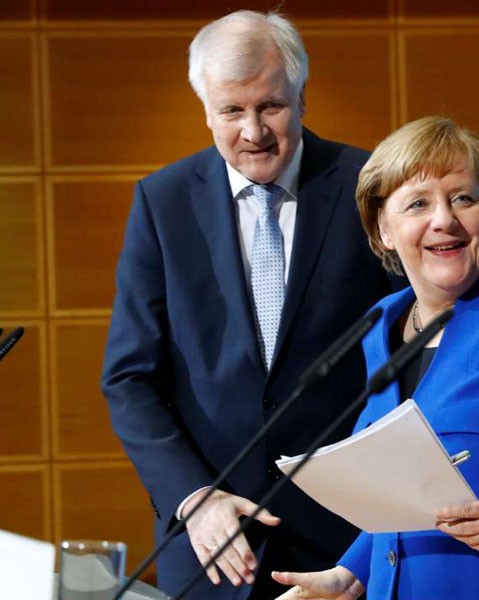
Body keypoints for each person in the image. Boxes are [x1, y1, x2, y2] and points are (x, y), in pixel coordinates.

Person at [100, 10, 395, 600]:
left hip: (345, 541)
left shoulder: (371, 184)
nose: (253, 131)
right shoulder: (163, 203)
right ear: (206, 110)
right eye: (232, 111)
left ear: (302, 97)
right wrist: (194, 498)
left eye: (271, 107)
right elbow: (129, 379)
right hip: (209, 540)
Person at [268, 116, 479, 599]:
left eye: (464, 198)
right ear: (383, 230)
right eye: (418, 204)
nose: (444, 219)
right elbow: (406, 492)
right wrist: (350, 575)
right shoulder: (379, 325)